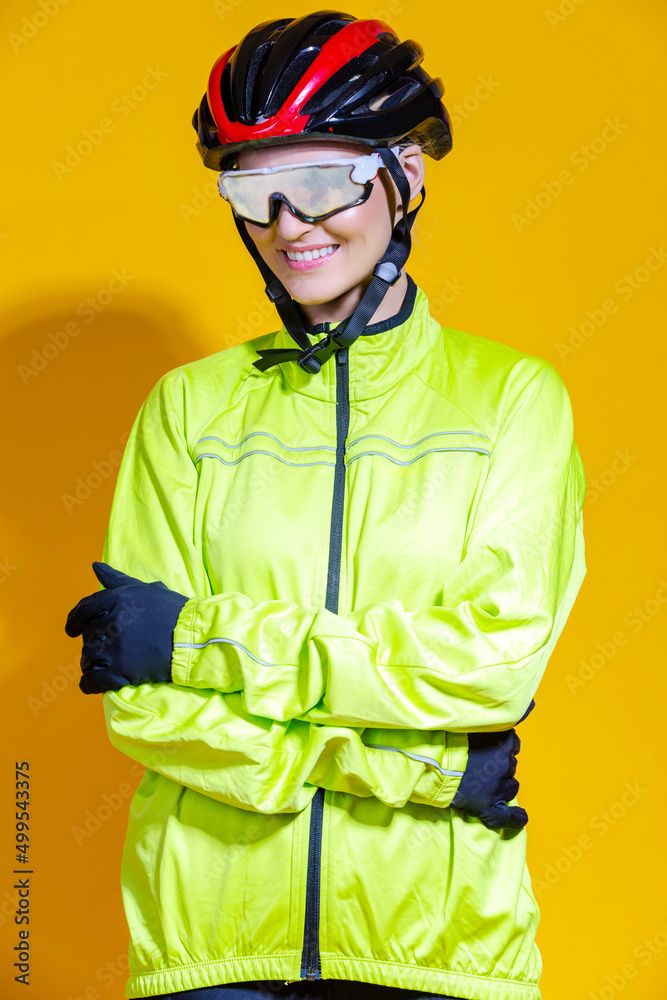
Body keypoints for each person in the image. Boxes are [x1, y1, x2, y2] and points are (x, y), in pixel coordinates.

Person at [64, 11, 587, 1000]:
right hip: (208, 949)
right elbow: (142, 702)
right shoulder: (188, 409)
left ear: (405, 175)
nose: (287, 225)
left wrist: (199, 640)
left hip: (442, 951)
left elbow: (490, 666)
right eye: (253, 191)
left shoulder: (512, 400)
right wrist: (416, 771)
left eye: (319, 184)